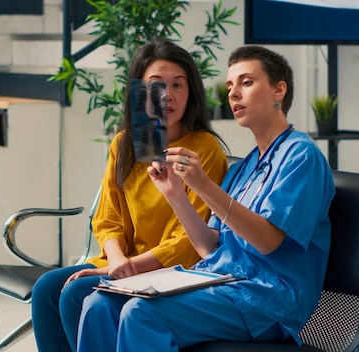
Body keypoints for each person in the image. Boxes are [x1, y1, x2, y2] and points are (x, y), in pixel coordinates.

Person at [76, 45, 336, 351]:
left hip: (267, 297)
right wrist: (175, 194)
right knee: (99, 303)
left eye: (246, 82)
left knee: (141, 313)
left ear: (279, 90)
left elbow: (268, 242)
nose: (234, 94)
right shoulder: (244, 168)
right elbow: (207, 245)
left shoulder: (301, 155)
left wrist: (204, 186)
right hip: (219, 282)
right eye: (229, 86)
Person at [31, 38, 230, 352]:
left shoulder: (203, 148)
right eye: (156, 85)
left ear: (191, 91)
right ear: (139, 91)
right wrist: (117, 261)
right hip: (123, 263)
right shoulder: (124, 143)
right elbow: (107, 219)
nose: (168, 95)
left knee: (74, 293)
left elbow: (190, 241)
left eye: (178, 84)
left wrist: (128, 267)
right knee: (46, 288)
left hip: (174, 269)